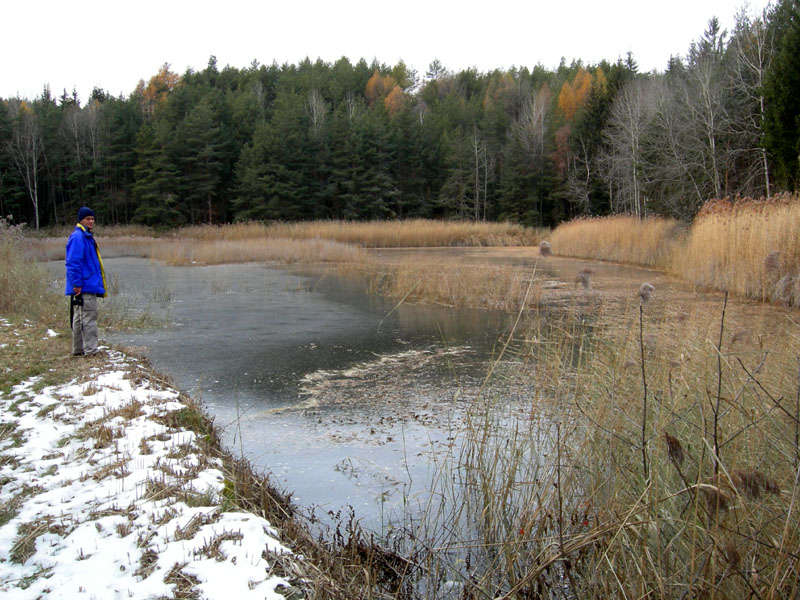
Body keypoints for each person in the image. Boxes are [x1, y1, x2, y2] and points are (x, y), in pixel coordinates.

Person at [65, 207, 107, 356]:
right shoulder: (79, 237)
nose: (91, 221)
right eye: (87, 219)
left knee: (80, 318)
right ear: (81, 220)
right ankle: (91, 351)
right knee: (88, 318)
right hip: (85, 285)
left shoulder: (86, 237)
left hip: (85, 285)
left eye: (92, 219)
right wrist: (77, 283)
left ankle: (78, 350)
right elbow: (73, 263)